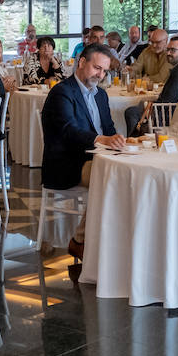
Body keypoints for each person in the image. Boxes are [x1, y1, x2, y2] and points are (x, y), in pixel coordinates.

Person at [40, 44, 125, 260]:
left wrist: (122, 141)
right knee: (110, 176)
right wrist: (102, 140)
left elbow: (109, 130)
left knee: (128, 174)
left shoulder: (100, 96)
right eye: (97, 68)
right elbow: (69, 132)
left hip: (95, 158)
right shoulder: (62, 92)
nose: (100, 74)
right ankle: (80, 240)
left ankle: (114, 239)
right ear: (81, 62)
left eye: (104, 71)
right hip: (66, 163)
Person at [127, 35, 178, 134]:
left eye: (172, 50)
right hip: (174, 109)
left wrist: (150, 108)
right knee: (140, 105)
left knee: (131, 112)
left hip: (169, 115)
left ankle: (135, 143)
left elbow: (168, 101)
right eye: (167, 49)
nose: (168, 53)